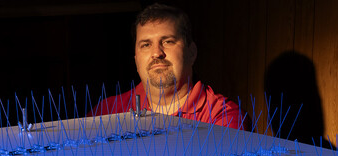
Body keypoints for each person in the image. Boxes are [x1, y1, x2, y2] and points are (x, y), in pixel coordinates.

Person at [92, 3, 247, 129]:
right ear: (136, 59)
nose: (157, 53)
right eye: (146, 45)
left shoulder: (222, 116)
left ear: (191, 53)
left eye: (168, 42)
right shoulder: (106, 111)